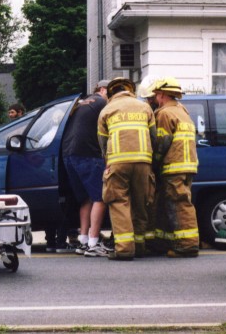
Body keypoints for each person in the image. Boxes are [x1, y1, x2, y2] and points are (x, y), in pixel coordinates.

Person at [98, 77, 156, 260]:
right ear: (129, 90)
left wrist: (107, 161)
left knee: (118, 202)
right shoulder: (145, 107)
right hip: (143, 162)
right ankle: (139, 247)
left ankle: (124, 249)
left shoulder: (107, 110)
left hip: (118, 162)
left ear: (111, 93)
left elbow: (102, 141)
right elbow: (154, 136)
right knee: (141, 203)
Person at [151, 77, 200, 258]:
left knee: (180, 205)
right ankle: (162, 242)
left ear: (162, 95)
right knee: (167, 204)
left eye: (156, 95)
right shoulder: (182, 111)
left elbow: (162, 142)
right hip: (187, 166)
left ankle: (187, 246)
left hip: (174, 167)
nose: (155, 98)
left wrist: (153, 163)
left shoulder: (164, 113)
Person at [62, 80, 111, 257]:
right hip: (88, 154)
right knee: (100, 197)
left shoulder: (82, 103)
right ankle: (94, 242)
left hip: (69, 154)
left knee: (86, 199)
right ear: (103, 90)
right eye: (111, 91)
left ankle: (83, 240)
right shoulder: (102, 102)